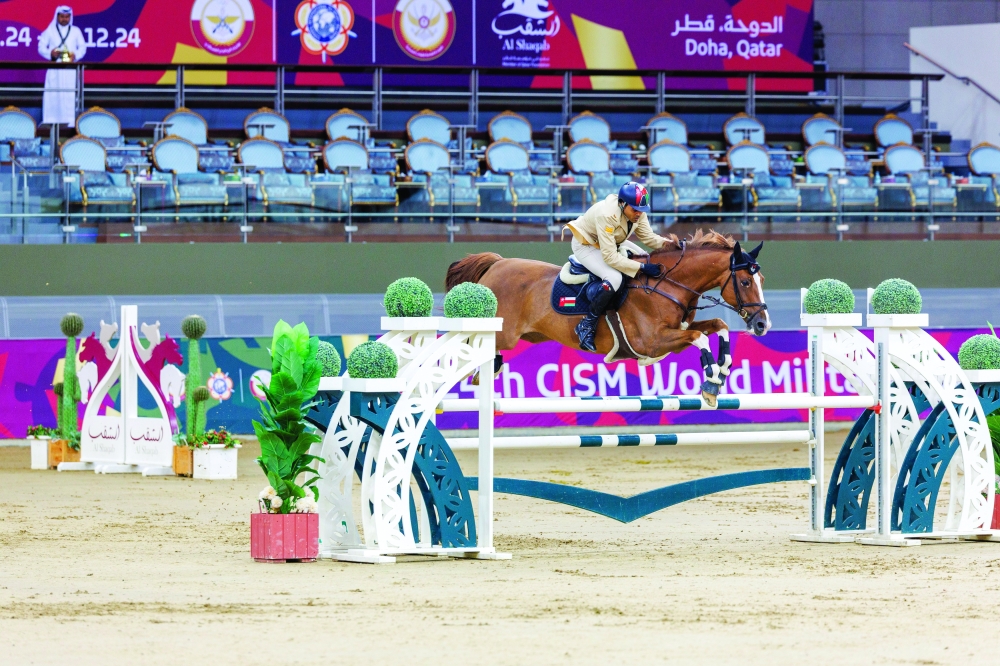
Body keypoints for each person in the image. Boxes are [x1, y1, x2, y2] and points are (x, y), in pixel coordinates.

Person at [563, 181, 670, 352]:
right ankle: (586, 325)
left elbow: (649, 238)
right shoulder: (607, 215)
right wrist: (641, 268)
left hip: (610, 242)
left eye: (641, 210)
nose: (638, 214)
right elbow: (610, 257)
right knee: (614, 277)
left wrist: (674, 245)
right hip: (586, 244)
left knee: (644, 256)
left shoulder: (637, 212)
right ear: (622, 204)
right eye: (635, 209)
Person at [37, 6, 86, 128]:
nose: (64, 19)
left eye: (67, 17)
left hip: (69, 69)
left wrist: (75, 56)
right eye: (62, 16)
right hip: (55, 69)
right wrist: (50, 53)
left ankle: (69, 124)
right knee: (53, 96)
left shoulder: (76, 31)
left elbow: (83, 48)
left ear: (70, 17)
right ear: (57, 16)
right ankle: (50, 123)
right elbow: (41, 47)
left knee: (69, 96)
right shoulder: (50, 31)